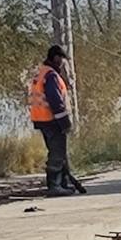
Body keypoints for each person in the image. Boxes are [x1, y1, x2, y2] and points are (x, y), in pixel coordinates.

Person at [28, 44, 78, 197]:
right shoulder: (51, 76)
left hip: (41, 119)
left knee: (57, 151)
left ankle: (62, 183)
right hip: (52, 120)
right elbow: (56, 101)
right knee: (57, 152)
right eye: (62, 59)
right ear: (56, 58)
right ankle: (54, 185)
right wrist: (65, 122)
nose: (63, 63)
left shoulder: (41, 73)